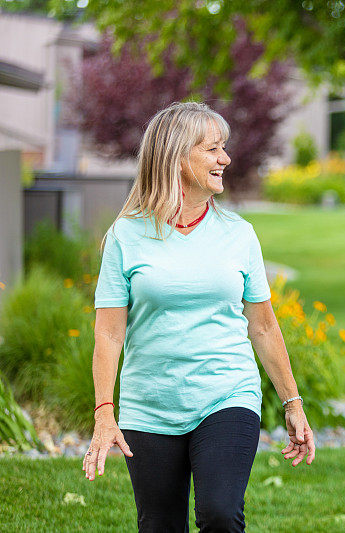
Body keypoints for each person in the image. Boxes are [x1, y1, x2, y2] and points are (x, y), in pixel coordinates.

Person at [82, 102, 315, 532]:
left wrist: (293, 403)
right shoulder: (126, 236)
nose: (225, 158)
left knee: (221, 514)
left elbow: (262, 325)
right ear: (177, 155)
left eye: (223, 148)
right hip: (149, 406)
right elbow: (109, 333)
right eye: (212, 149)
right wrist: (104, 412)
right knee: (159, 525)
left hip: (226, 392)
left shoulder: (238, 234)